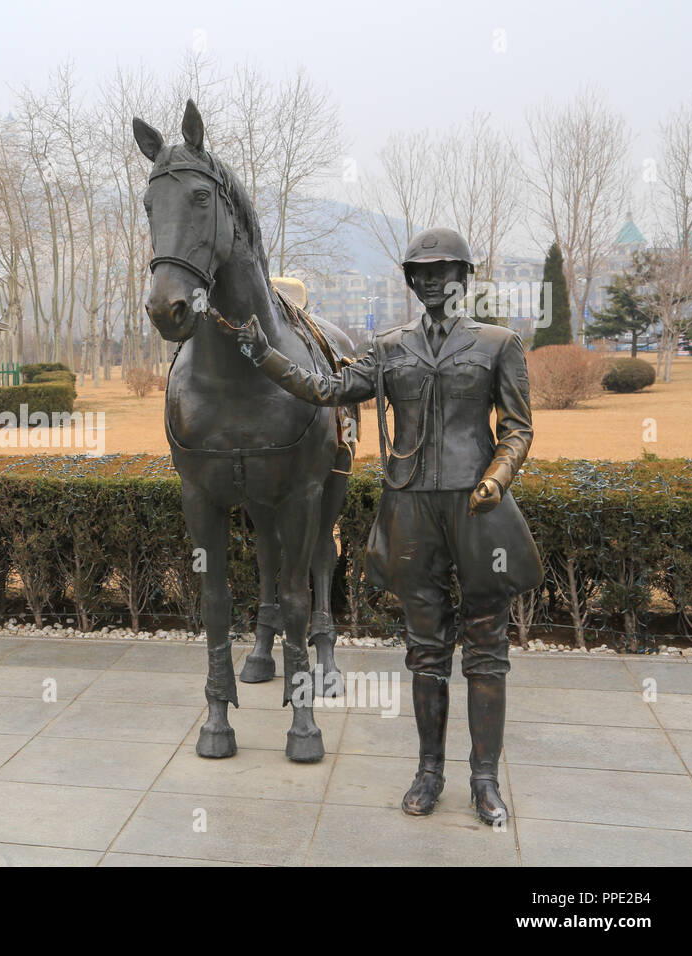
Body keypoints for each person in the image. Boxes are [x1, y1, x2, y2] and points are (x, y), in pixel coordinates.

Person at [232, 227, 542, 825]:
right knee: (425, 651)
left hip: (478, 507)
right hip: (410, 510)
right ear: (410, 280)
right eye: (419, 272)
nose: (429, 281)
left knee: (486, 650)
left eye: (441, 270)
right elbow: (328, 388)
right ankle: (429, 772)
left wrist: (498, 477)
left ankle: (484, 779)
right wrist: (265, 355)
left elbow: (518, 428)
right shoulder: (391, 346)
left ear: (462, 275)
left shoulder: (499, 343)